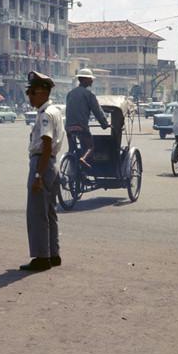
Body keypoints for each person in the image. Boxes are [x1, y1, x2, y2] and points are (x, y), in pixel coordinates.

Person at [20, 71, 65, 272]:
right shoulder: (55, 111)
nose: (29, 96)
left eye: (31, 92)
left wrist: (38, 175)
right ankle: (53, 254)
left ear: (42, 92)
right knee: (49, 212)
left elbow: (46, 144)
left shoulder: (46, 114)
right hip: (51, 164)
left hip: (42, 163)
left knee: (37, 213)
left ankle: (41, 257)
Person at [65, 68, 109, 168]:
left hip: (68, 127)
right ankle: (83, 159)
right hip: (81, 126)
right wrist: (104, 124)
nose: (92, 81)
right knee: (90, 147)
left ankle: (74, 171)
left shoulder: (70, 93)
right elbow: (97, 111)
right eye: (90, 79)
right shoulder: (89, 95)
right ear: (85, 80)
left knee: (72, 150)